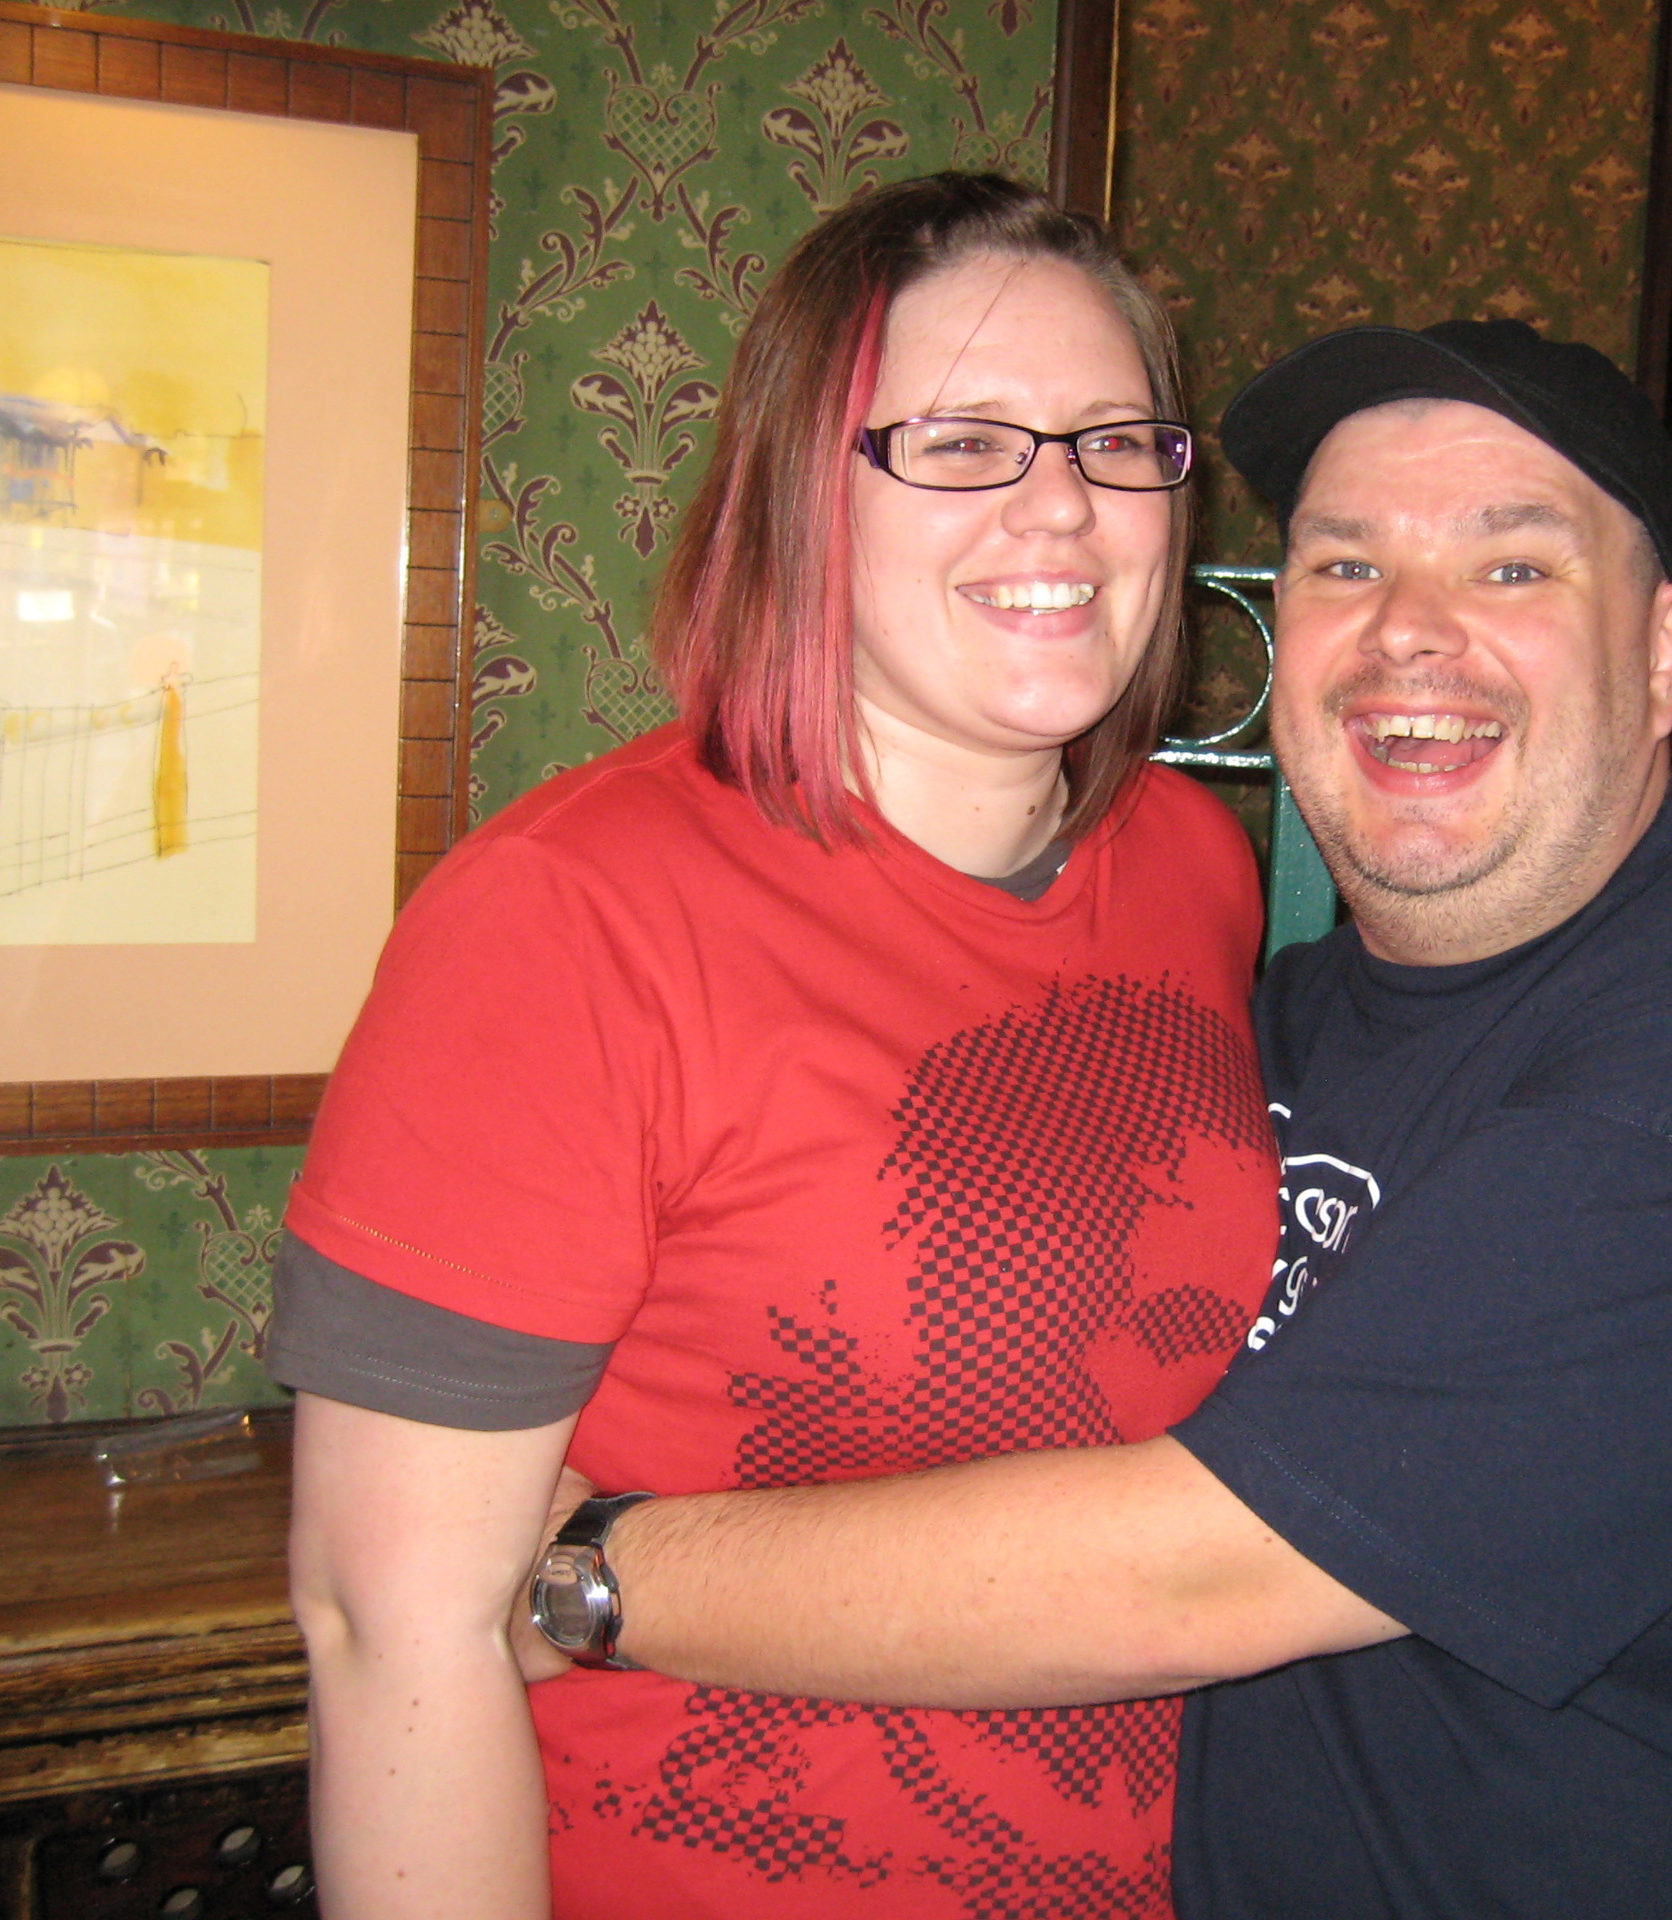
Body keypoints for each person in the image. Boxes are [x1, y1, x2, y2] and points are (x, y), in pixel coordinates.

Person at [510, 319, 1672, 1918]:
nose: (1409, 629)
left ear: (1670, 649)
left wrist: (590, 1571)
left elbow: (1201, 1569)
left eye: (1514, 563)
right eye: (1346, 564)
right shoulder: (1286, 1015)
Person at [267, 173, 1281, 1920]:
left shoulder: (1195, 872)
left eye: (1120, 443)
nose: (1063, 512)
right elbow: (388, 1625)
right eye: (964, 445)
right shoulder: (568, 919)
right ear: (807, 488)